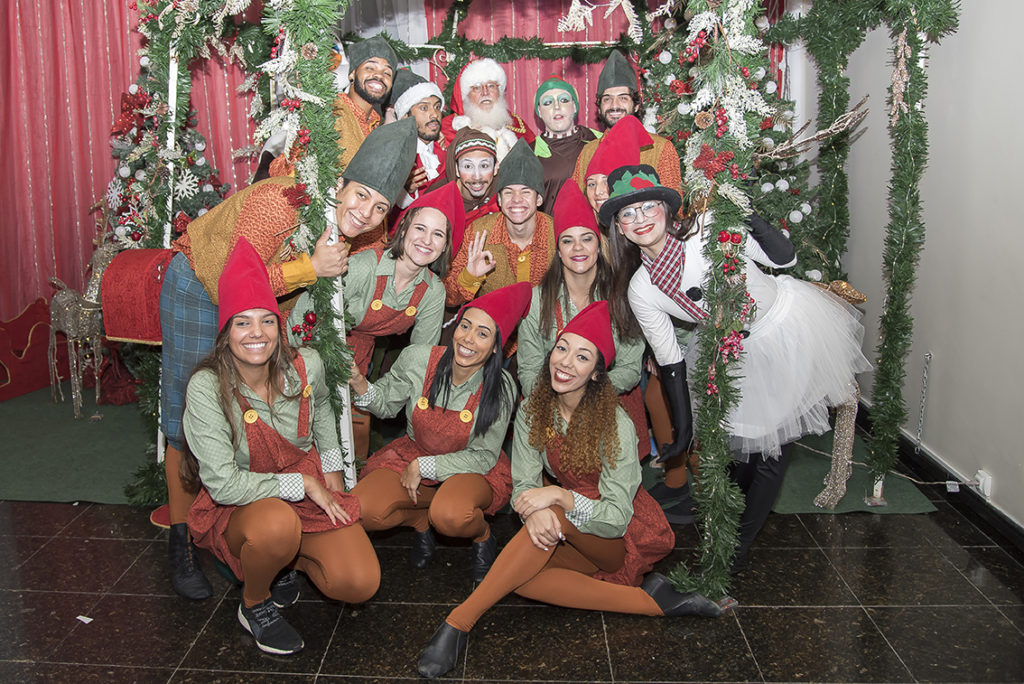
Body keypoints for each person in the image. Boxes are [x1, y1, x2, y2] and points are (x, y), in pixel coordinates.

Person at [159, 118, 417, 601]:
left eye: (380, 206)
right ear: (339, 184)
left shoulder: (366, 228)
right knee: (188, 414)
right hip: (201, 284)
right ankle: (183, 539)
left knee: (276, 400)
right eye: (360, 196)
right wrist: (310, 268)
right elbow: (234, 279)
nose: (365, 213)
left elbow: (366, 268)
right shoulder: (281, 200)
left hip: (266, 310)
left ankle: (266, 533)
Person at [416, 301, 726, 679]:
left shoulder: (615, 423)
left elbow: (615, 518)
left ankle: (458, 622)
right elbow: (526, 484)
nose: (565, 362)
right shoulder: (534, 409)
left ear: (597, 374)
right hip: (569, 527)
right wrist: (536, 509)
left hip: (618, 532)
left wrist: (560, 498)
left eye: (582, 357)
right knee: (523, 581)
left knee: (550, 519)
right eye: (562, 349)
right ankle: (655, 603)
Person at [599, 164, 870, 572]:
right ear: (619, 228)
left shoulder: (710, 228)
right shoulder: (641, 289)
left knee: (773, 452)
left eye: (648, 207)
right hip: (732, 351)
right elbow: (670, 361)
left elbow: (785, 258)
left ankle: (737, 549)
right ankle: (730, 530)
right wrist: (683, 431)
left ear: (668, 210)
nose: (640, 220)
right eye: (628, 214)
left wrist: (744, 214)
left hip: (784, 331)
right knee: (743, 450)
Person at [183, 239, 379, 655]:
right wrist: (302, 484)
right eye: (242, 323)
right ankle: (255, 601)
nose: (257, 333)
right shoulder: (206, 388)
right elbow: (224, 485)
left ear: (279, 326)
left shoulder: (305, 363)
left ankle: (282, 564)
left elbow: (324, 405)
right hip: (242, 505)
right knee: (275, 527)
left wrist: (329, 466)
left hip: (307, 482)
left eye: (266, 321)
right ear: (225, 333)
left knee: (359, 582)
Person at [348, 282, 531, 581]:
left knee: (451, 516)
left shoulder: (502, 386)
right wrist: (358, 383)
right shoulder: (418, 359)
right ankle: (421, 521)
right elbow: (385, 405)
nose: (468, 339)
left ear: (497, 345)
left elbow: (484, 456)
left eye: (483, 334)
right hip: (414, 450)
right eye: (465, 326)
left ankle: (483, 536)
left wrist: (425, 466)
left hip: (472, 467)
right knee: (364, 510)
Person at [517, 180, 650, 460]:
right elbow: (529, 368)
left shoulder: (622, 295)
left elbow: (629, 367)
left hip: (606, 398)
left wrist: (587, 395)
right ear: (558, 249)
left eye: (586, 238)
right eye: (567, 240)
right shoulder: (537, 300)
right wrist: (558, 401)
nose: (578, 247)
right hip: (551, 401)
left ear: (598, 245)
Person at [444, 139, 553, 308]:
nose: (516, 199)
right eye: (508, 192)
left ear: (539, 199)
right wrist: (470, 276)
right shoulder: (479, 233)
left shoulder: (557, 234)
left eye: (525, 192)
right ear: (500, 200)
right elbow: (449, 298)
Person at [570, 51, 682, 205]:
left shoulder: (661, 149)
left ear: (636, 105)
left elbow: (673, 210)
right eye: (607, 99)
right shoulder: (588, 152)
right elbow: (578, 207)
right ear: (599, 107)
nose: (614, 105)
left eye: (623, 98)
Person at [441, 58, 535, 160]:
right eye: (477, 88)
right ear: (466, 95)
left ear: (499, 92)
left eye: (491, 86)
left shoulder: (516, 124)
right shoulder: (448, 129)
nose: (485, 92)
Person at [531, 76, 598, 213]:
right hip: (550, 232)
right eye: (548, 102)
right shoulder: (529, 153)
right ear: (539, 111)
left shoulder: (598, 141)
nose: (557, 107)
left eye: (564, 100)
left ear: (574, 106)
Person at [334, 35, 397, 172]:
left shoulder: (377, 126)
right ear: (352, 74)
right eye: (370, 68)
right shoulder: (332, 112)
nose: (379, 76)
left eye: (387, 73)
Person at [388, 68, 447, 209]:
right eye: (424, 108)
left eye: (437, 107)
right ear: (405, 117)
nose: (434, 115)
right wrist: (405, 191)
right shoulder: (394, 157)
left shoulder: (446, 150)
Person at [438, 128, 500, 225]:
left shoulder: (506, 190)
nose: (477, 176)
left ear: (496, 167)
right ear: (457, 170)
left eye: (484, 166)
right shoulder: (440, 199)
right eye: (468, 166)